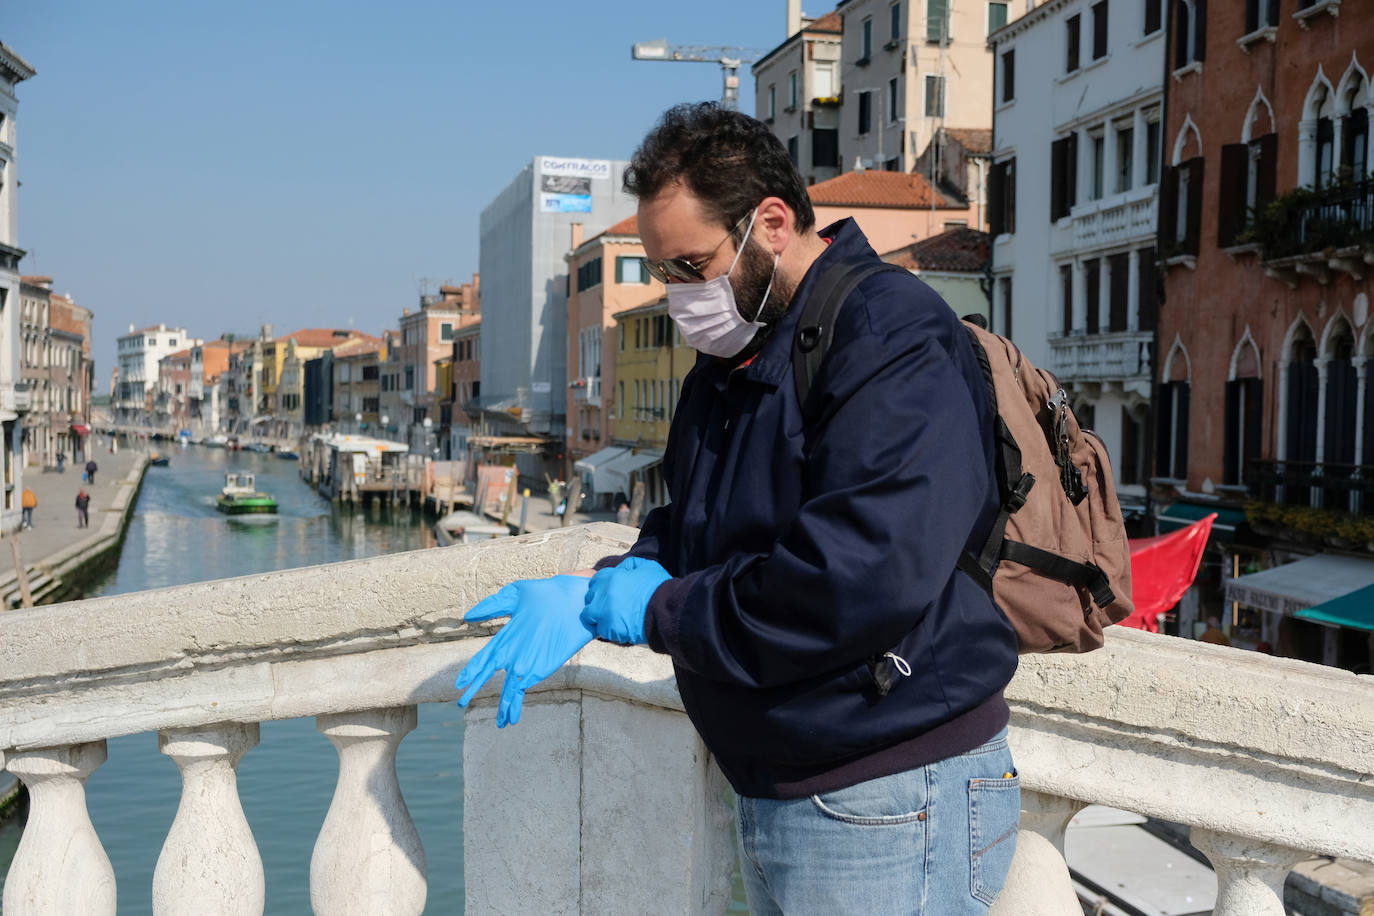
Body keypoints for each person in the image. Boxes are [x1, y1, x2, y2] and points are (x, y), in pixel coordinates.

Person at [456, 103, 1020, 914]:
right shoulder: (732, 359)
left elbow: (858, 576)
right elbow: (697, 525)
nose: (677, 294)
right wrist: (612, 582)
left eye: (691, 265)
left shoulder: (892, 337)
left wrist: (660, 612)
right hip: (790, 784)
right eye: (662, 272)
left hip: (890, 793)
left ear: (773, 223)